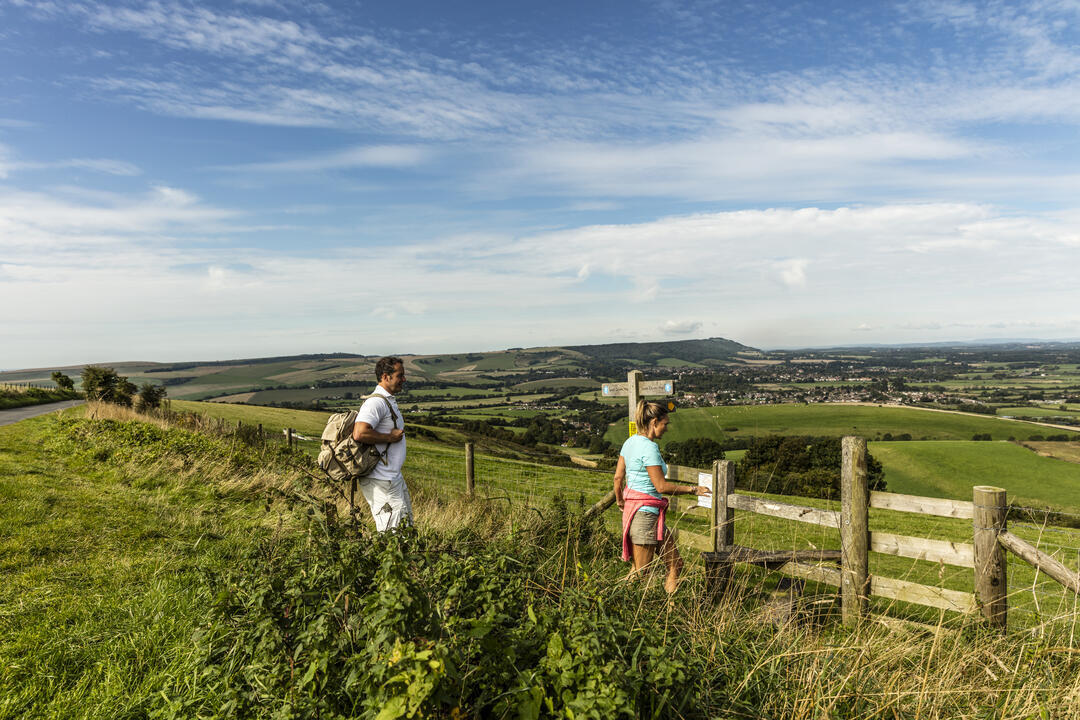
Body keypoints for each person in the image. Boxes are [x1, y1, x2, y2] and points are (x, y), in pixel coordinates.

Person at [614, 399, 710, 593]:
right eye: (665, 424)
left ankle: (670, 610)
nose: (666, 429)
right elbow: (661, 486)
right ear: (654, 422)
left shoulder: (630, 442)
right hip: (645, 516)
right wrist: (693, 490)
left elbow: (618, 478)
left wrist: (620, 500)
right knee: (640, 572)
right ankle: (610, 604)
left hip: (641, 513)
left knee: (675, 564)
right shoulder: (649, 448)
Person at [353, 356, 411, 531]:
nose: (404, 379)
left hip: (391, 478)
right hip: (381, 480)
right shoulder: (376, 403)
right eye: (400, 375)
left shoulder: (387, 401)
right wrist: (390, 438)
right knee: (392, 535)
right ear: (386, 377)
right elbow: (360, 432)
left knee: (405, 530)